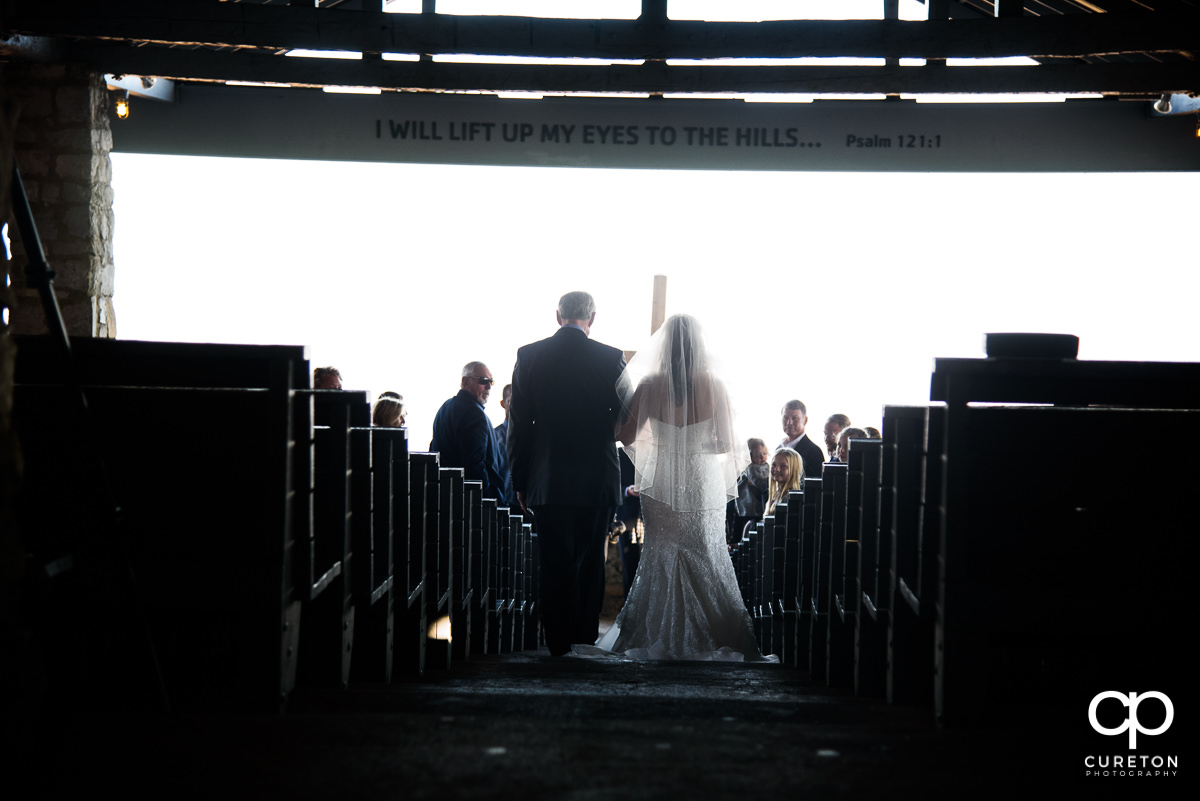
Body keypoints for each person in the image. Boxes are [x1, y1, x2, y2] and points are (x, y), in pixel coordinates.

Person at [589, 313, 773, 662]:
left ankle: (655, 629)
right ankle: (717, 633)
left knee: (662, 550)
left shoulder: (649, 385)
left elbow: (623, 435)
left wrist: (661, 440)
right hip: (702, 480)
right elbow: (725, 445)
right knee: (705, 551)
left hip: (661, 483)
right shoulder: (715, 385)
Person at [507, 291, 626, 656]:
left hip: (548, 477)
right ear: (592, 317)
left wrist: (521, 480)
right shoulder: (611, 357)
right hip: (597, 477)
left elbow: (518, 424)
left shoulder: (530, 356)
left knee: (554, 561)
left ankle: (557, 640)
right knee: (591, 561)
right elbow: (625, 418)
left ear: (558, 316)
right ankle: (584, 637)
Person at [430, 361, 504, 500]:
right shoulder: (473, 414)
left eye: (491, 382)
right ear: (465, 381)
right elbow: (475, 466)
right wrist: (487, 500)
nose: (489, 386)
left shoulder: (445, 408)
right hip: (472, 503)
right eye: (483, 381)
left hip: (447, 495)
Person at [730, 438, 770, 547]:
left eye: (764, 453)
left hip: (757, 505)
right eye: (758, 455)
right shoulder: (751, 468)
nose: (762, 457)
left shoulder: (766, 466)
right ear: (750, 456)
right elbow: (761, 484)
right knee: (744, 531)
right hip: (748, 505)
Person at [780, 399, 825, 479]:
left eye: (794, 418)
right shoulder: (780, 447)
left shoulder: (814, 452)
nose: (789, 422)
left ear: (805, 420)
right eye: (786, 418)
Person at [492, 384, 519, 510]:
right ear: (503, 404)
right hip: (504, 505)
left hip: (531, 505)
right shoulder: (494, 437)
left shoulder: (534, 436)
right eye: (512, 401)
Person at [765, 447, 803, 518]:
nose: (777, 469)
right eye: (774, 465)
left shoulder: (790, 498)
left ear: (793, 470)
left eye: (783, 466)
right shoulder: (777, 493)